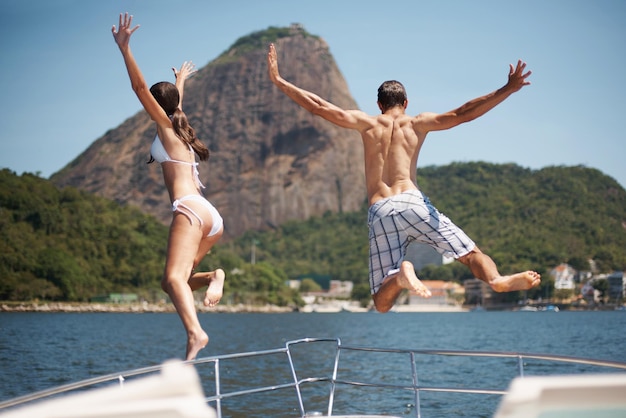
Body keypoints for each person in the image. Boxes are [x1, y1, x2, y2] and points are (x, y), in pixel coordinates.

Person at [267, 43, 541, 313]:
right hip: (413, 202)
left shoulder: (368, 123)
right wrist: (507, 89)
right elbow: (462, 114)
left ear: (379, 104)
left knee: (381, 302)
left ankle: (399, 278)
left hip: (381, 209)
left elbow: (320, 107)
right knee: (470, 255)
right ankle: (496, 280)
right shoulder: (417, 123)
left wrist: (280, 81)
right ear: (406, 103)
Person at [112, 13, 225, 359]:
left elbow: (140, 89)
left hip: (189, 209)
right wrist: (182, 81)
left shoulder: (165, 127)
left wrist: (125, 49)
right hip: (210, 217)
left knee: (175, 281)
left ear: (158, 110)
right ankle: (213, 276)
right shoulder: (181, 130)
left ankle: (195, 335)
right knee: (172, 281)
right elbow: (174, 105)